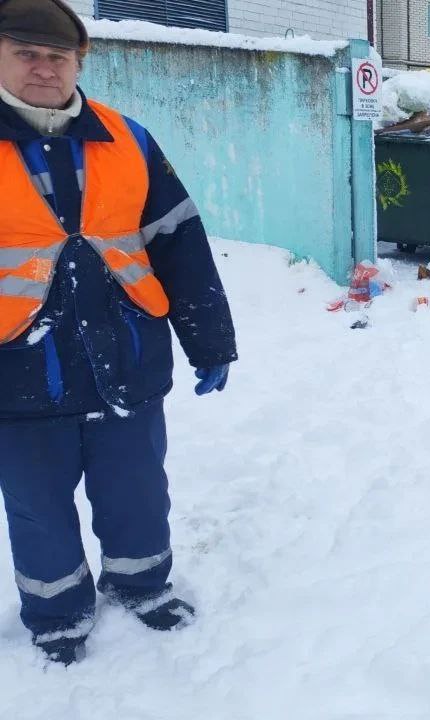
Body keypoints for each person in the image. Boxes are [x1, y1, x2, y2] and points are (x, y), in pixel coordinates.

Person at [0, 0, 237, 665]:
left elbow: (179, 244)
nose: (43, 68)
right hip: (18, 375)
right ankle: (57, 611)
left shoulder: (127, 140)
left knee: (136, 488)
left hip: (126, 360)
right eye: (25, 54)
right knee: (38, 508)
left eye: (57, 56)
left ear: (80, 61)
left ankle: (141, 582)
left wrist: (210, 341)